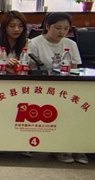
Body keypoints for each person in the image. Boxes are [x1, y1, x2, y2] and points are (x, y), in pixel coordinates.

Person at [28, 12, 86, 165]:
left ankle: (74, 146)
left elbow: (74, 68)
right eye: (58, 28)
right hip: (42, 86)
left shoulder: (70, 44)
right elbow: (31, 68)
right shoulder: (34, 43)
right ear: (47, 26)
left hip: (65, 86)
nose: (62, 32)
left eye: (66, 29)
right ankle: (57, 147)